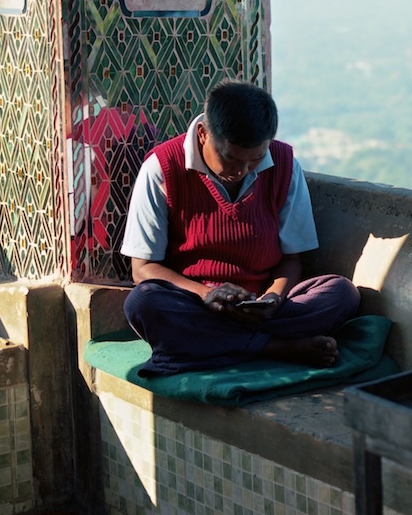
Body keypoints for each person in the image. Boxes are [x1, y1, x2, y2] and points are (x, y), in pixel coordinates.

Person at [121, 81, 359, 375]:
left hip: (262, 308)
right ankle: (278, 348)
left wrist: (274, 298)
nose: (242, 171)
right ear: (204, 134)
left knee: (341, 293)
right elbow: (143, 267)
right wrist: (206, 295)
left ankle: (215, 346)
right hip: (195, 304)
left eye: (256, 159)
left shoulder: (284, 165)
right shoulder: (162, 168)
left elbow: (291, 259)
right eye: (231, 158)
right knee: (143, 304)